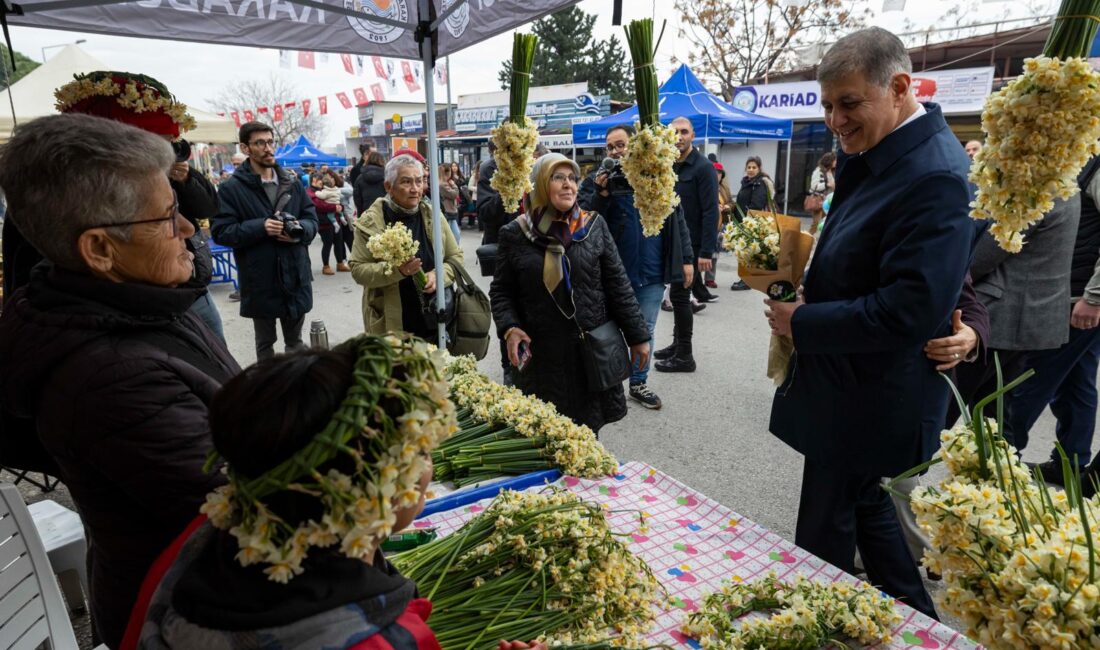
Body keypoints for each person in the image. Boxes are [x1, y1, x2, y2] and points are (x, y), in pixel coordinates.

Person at [0, 113, 240, 648]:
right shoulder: (109, 376)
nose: (185, 229)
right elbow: (249, 507)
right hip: (185, 612)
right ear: (100, 250)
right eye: (167, 216)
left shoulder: (137, 299)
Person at [764, 27, 978, 619]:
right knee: (868, 511)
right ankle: (922, 626)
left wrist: (801, 322)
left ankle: (819, 624)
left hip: (867, 397)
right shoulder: (888, 154)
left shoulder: (931, 174)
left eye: (849, 103)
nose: (835, 119)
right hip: (854, 390)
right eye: (828, 105)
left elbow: (908, 309)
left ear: (900, 87)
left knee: (825, 539)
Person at [490, 153, 650, 433]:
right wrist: (510, 327)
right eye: (557, 177)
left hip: (587, 354)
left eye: (572, 178)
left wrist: (638, 336)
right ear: (539, 184)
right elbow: (501, 291)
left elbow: (618, 284)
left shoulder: (593, 226)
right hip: (541, 357)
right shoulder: (514, 234)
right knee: (543, 436)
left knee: (586, 436)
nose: (568, 185)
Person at [578, 124, 694, 410]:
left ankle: (638, 383)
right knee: (609, 329)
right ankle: (610, 381)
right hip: (612, 272)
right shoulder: (598, 179)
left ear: (636, 145)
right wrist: (600, 195)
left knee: (646, 328)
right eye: (610, 147)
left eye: (621, 144)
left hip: (652, 271)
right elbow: (581, 221)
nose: (616, 151)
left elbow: (678, 220)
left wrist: (687, 259)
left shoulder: (658, 174)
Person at [1004, 155, 1100, 489]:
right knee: (1076, 383)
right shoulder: (1084, 158)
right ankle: (1070, 463)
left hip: (1078, 297)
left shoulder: (1096, 163)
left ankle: (1000, 465)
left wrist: (1094, 297)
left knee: (1029, 383)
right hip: (1075, 294)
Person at [213, 121, 318, 361]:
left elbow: (311, 218)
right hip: (260, 279)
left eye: (271, 142)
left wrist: (300, 231)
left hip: (295, 275)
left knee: (296, 344)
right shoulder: (231, 189)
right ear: (245, 147)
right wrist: (260, 227)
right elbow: (221, 231)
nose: (268, 148)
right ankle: (270, 392)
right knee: (265, 346)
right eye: (260, 143)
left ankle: (299, 390)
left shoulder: (291, 181)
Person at [349, 154, 464, 338]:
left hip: (435, 319)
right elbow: (358, 270)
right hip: (391, 323)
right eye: (406, 182)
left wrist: (438, 275)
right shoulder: (371, 222)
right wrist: (398, 271)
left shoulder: (433, 215)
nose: (415, 189)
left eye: (419, 181)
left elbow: (455, 258)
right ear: (389, 186)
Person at [654, 116, 719, 373]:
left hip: (691, 246)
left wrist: (706, 252)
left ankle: (685, 356)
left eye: (684, 132)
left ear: (693, 135)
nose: (679, 137)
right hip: (673, 243)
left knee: (680, 298)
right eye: (675, 133)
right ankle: (676, 345)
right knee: (678, 295)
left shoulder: (703, 167)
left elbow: (711, 211)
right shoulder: (668, 164)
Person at [731, 156, 775, 290]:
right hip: (742, 221)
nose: (750, 170)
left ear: (759, 168)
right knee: (745, 252)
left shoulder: (759, 183)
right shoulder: (747, 182)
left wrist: (746, 220)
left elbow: (756, 205)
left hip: (750, 223)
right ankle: (745, 278)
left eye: (754, 167)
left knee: (748, 251)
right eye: (749, 167)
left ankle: (747, 281)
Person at [307, 172, 350, 275]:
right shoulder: (310, 192)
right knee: (328, 244)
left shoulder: (324, 190)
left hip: (336, 220)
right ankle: (326, 266)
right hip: (324, 222)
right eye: (319, 179)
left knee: (339, 242)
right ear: (313, 180)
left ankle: (340, 263)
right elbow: (319, 205)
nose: (321, 182)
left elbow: (336, 201)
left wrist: (340, 207)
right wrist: (334, 207)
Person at [704, 162, 735, 289]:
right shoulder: (705, 185)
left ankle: (709, 278)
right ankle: (695, 280)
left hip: (720, 224)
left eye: (719, 173)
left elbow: (732, 202)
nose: (716, 175)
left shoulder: (724, 188)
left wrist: (727, 206)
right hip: (706, 224)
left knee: (715, 253)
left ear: (722, 175)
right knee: (703, 252)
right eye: (714, 172)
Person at [807, 151, 836, 236]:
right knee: (815, 224)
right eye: (835, 160)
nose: (836, 162)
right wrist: (826, 185)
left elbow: (832, 185)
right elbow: (813, 186)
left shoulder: (830, 171)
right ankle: (806, 239)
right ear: (829, 161)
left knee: (825, 223)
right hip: (818, 200)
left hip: (827, 202)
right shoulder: (818, 171)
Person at [353, 151, 387, 216]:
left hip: (366, 214)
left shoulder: (360, 178)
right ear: (382, 161)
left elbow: (357, 199)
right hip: (384, 213)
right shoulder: (387, 177)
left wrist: (360, 214)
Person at [439, 163, 462, 242]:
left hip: (450, 211)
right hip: (448, 212)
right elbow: (454, 194)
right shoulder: (442, 184)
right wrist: (454, 185)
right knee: (454, 235)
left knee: (455, 234)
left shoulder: (443, 183)